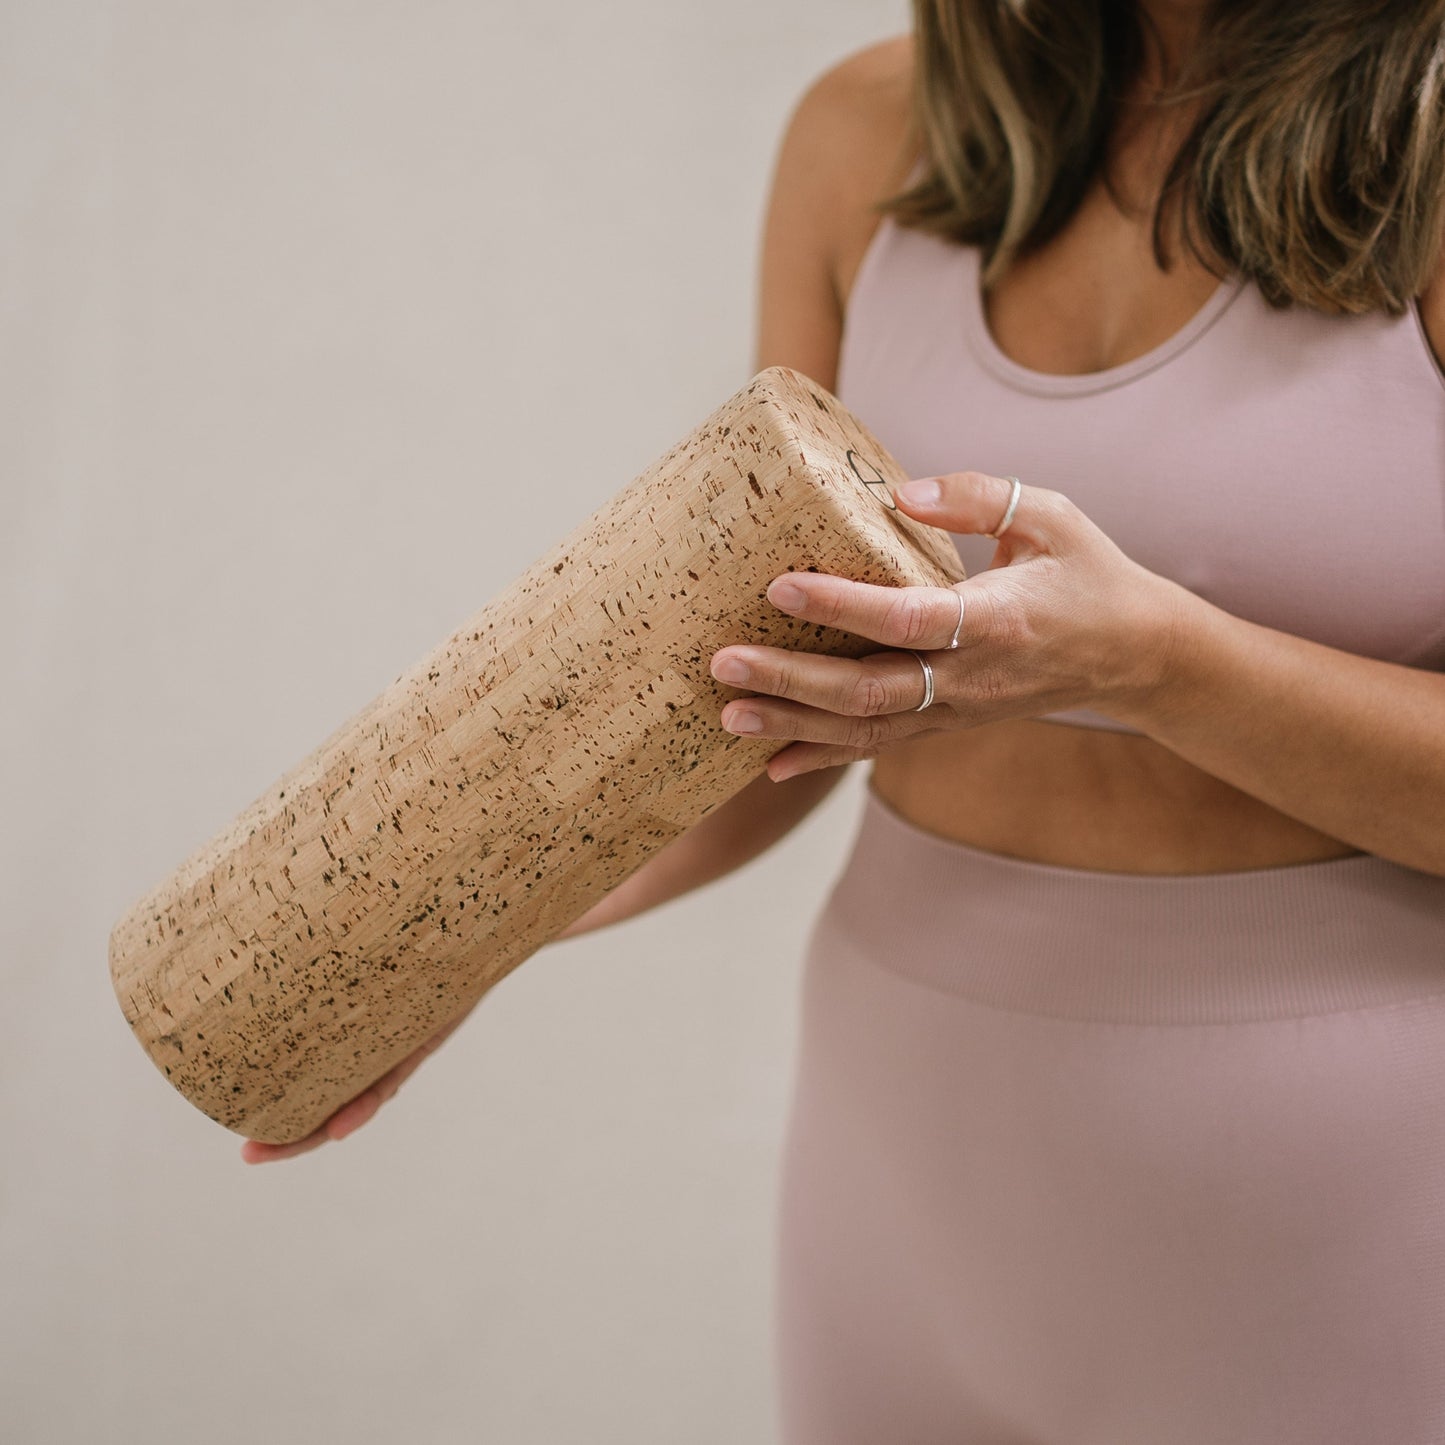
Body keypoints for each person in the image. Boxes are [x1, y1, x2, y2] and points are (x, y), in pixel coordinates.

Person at [244, 2, 1445, 1439]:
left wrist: (1151, 666)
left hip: (1336, 1171)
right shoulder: (868, 133)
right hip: (902, 1140)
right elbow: (761, 684)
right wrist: (449, 932)